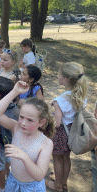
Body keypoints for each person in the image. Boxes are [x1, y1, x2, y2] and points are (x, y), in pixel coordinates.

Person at [0, 81, 55, 191]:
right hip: (12, 181)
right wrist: (15, 91)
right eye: (21, 117)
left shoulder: (46, 143)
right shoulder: (16, 128)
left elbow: (39, 175)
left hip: (32, 188)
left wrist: (24, 157)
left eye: (30, 120)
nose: (23, 123)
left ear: (41, 122)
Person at [46, 62, 89, 192]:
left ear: (65, 79)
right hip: (72, 132)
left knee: (57, 159)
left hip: (60, 133)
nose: (57, 76)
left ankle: (58, 186)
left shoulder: (59, 100)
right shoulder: (81, 96)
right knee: (66, 158)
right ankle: (64, 183)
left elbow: (57, 123)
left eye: (59, 75)